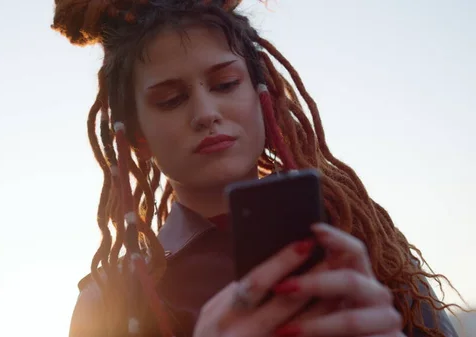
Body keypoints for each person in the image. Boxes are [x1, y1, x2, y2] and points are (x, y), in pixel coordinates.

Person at [51, 0, 465, 336]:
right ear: (136, 137)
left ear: (265, 98)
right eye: (170, 99)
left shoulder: (364, 242)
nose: (206, 113)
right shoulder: (110, 302)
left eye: (225, 84)